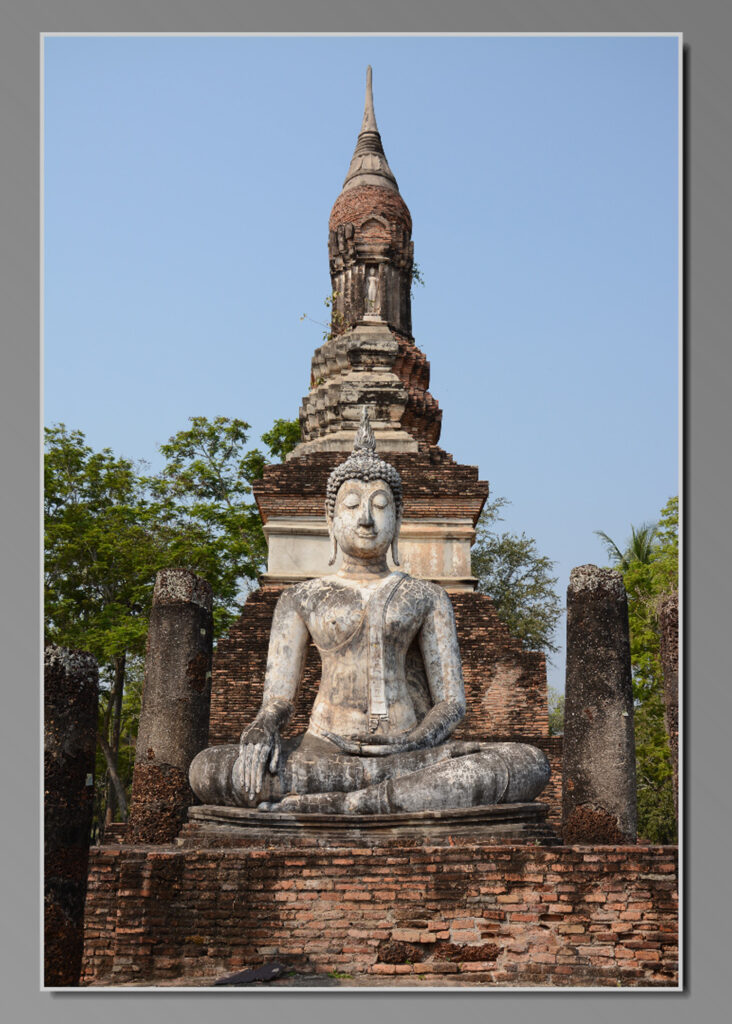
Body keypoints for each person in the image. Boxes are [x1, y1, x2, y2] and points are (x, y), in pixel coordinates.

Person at [189, 409, 549, 814]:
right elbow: (278, 699)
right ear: (331, 519)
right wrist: (262, 727)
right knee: (210, 770)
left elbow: (451, 704)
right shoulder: (301, 598)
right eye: (352, 505)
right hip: (324, 752)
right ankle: (375, 798)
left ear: (397, 520)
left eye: (379, 505)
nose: (365, 518)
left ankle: (343, 806)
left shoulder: (427, 596)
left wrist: (415, 741)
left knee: (526, 763)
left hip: (408, 753)